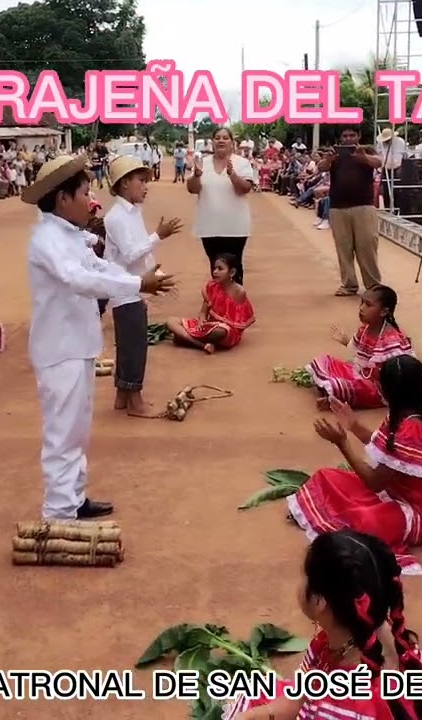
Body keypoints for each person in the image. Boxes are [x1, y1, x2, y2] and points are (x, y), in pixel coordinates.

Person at [24, 154, 176, 520]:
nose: (90, 201)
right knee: (63, 433)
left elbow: (100, 267)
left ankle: (72, 499)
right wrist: (138, 282)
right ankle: (59, 511)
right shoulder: (47, 239)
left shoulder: (68, 234)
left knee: (76, 431)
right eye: (84, 193)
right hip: (60, 349)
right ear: (63, 199)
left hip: (76, 344)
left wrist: (135, 281)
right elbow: (80, 279)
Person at [222, 530, 422, 720]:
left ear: (319, 602)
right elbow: (294, 701)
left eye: (305, 577)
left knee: (251, 694)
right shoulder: (396, 644)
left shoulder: (342, 701)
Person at [290, 356, 422, 575]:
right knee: (326, 476)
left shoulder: (410, 429)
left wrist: (342, 443)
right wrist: (354, 426)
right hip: (398, 492)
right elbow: (394, 453)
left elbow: (374, 483)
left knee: (367, 521)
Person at [102, 155, 184, 416]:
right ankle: (135, 400)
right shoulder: (116, 216)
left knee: (129, 343)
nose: (145, 186)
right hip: (126, 289)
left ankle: (122, 395)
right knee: (134, 344)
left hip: (135, 286)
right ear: (125, 184)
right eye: (141, 180)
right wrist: (158, 235)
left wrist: (154, 271)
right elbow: (129, 253)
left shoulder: (131, 212)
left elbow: (137, 251)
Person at [308, 285, 411, 410]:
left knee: (345, 387)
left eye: (368, 304)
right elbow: (357, 350)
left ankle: (334, 398)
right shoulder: (365, 329)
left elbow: (400, 372)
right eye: (362, 303)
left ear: (383, 311)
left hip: (378, 389)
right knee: (323, 361)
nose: (361, 308)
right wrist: (345, 341)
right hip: (361, 375)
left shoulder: (391, 340)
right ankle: (334, 394)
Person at [316, 127, 383, 296]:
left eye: (352, 135)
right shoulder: (335, 154)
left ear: (358, 136)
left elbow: (378, 162)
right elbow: (321, 167)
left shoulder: (365, 151)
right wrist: (329, 159)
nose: (348, 139)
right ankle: (349, 284)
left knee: (367, 245)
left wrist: (364, 157)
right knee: (343, 247)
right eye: (345, 136)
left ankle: (373, 285)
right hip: (338, 207)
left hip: (364, 206)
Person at [187, 127, 255, 285]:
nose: (221, 140)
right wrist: (196, 176)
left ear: (232, 143)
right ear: (212, 142)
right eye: (217, 138)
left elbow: (244, 189)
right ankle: (220, 305)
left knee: (234, 266)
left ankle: (236, 305)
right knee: (216, 267)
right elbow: (192, 189)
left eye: (225, 138)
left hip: (235, 228)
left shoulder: (242, 163)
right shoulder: (203, 163)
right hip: (209, 227)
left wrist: (232, 175)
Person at [164, 253, 255, 353]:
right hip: (208, 326)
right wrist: (201, 321)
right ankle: (201, 345)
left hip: (226, 330)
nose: (215, 272)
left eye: (220, 269)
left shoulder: (239, 292)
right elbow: (203, 311)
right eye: (214, 268)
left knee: (220, 332)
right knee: (171, 321)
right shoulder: (211, 286)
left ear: (232, 272)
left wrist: (219, 325)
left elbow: (238, 325)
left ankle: (184, 338)